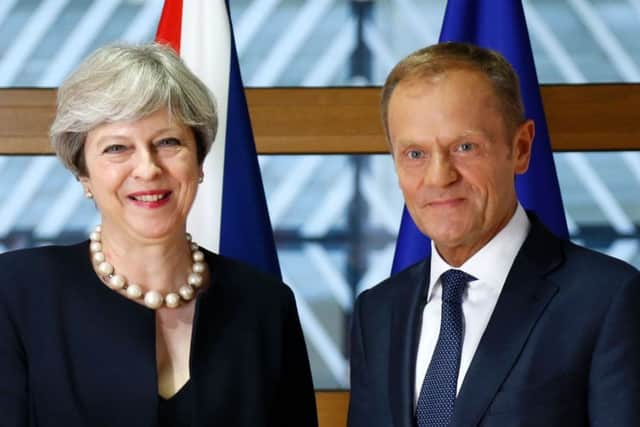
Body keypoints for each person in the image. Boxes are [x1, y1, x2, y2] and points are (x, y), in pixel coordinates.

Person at [0, 42, 318, 427]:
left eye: (168, 142)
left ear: (199, 161)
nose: (147, 169)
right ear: (83, 174)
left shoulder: (266, 307)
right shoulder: (16, 292)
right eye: (117, 148)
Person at [348, 42, 640, 427]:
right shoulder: (378, 311)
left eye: (465, 147)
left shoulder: (607, 301)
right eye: (415, 154)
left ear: (520, 148)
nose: (439, 177)